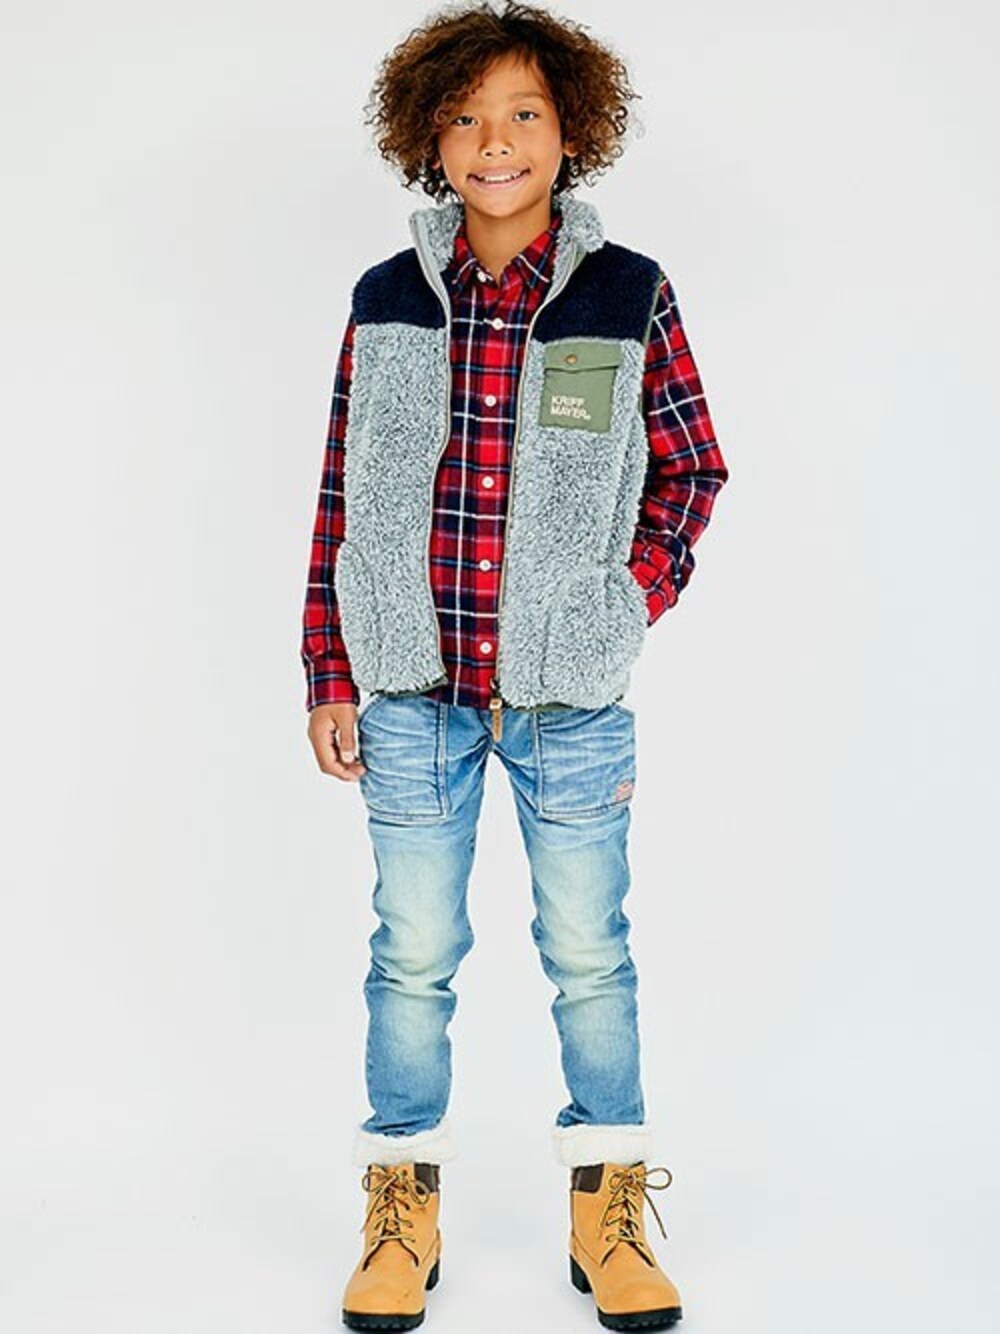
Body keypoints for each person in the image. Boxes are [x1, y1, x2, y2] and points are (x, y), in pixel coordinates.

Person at [300, 4, 729, 1328]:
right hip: (411, 696)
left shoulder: (626, 292)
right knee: (412, 953)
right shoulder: (386, 298)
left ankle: (608, 1209)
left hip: (570, 703)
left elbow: (692, 469)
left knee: (589, 951)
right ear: (429, 139)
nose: (497, 141)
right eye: (468, 117)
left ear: (571, 131)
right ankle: (401, 1206)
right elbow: (341, 495)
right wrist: (329, 668)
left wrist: (621, 602)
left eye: (525, 114)